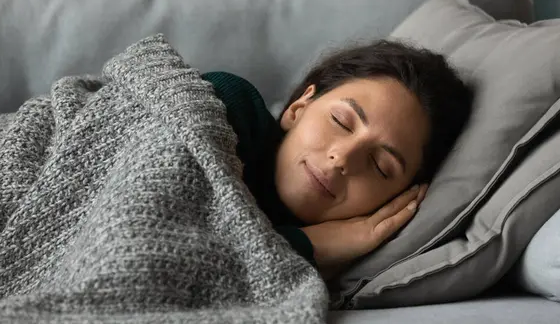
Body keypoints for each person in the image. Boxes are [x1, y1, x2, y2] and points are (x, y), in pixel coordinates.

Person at [202, 39, 473, 280]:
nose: (343, 158)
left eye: (380, 166)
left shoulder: (323, 274)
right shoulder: (226, 104)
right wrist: (311, 244)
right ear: (299, 108)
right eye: (341, 121)